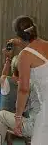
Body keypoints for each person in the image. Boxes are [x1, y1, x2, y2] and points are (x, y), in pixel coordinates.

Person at [7, 15, 48, 144]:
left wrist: (18, 118)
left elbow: (23, 90)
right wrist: (21, 43)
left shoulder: (24, 55)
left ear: (19, 36)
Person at [0, 74, 40, 144]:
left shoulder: (30, 84)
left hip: (35, 127)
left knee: (0, 115)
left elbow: (20, 107)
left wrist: (17, 124)